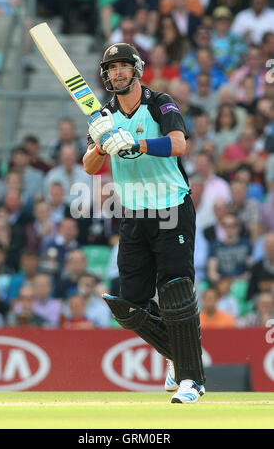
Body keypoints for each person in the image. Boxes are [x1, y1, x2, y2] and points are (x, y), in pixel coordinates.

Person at [83, 42, 206, 403]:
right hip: (134, 215)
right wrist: (101, 145)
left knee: (175, 293)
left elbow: (180, 144)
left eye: (123, 66)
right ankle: (176, 354)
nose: (117, 72)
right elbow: (89, 167)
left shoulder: (159, 102)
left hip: (171, 207)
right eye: (111, 68)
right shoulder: (103, 116)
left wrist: (137, 145)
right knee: (130, 305)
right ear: (105, 76)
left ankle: (191, 380)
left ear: (136, 69)